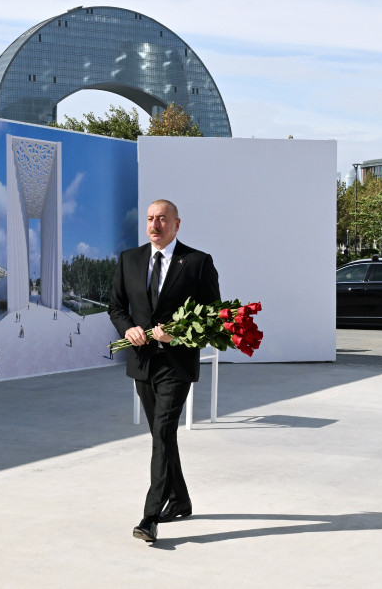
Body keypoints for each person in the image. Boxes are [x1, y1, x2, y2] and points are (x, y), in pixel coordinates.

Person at [108, 199, 220, 543]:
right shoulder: (130, 259)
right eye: (150, 219)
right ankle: (181, 498)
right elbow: (116, 306)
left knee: (162, 431)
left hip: (177, 363)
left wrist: (178, 334)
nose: (155, 225)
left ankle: (150, 515)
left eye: (162, 219)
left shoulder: (198, 262)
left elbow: (213, 315)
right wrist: (128, 329)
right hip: (142, 363)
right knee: (163, 434)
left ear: (177, 224)